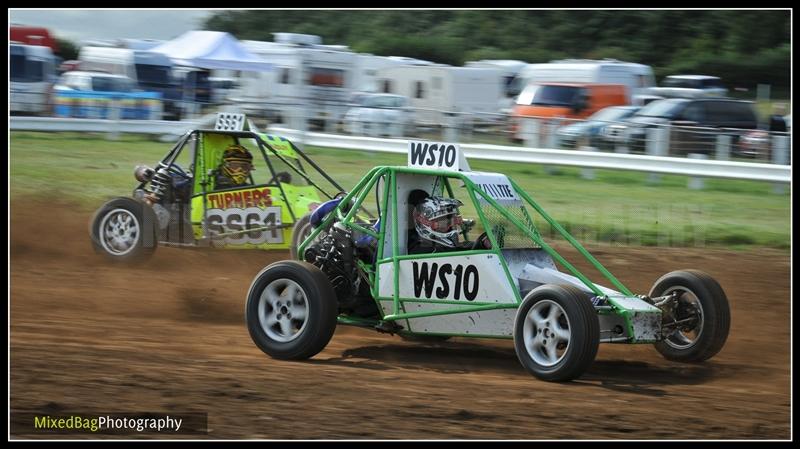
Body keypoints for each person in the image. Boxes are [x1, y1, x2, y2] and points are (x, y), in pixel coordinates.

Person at [407, 189, 481, 254]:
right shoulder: (422, 251)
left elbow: (462, 247)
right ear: (425, 224)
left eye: (453, 219)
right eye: (445, 222)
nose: (452, 225)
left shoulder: (445, 246)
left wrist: (482, 243)